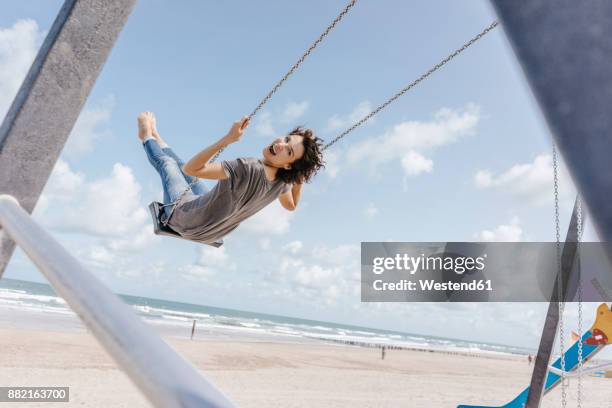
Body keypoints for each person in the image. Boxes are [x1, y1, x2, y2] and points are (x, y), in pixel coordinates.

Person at [138, 112, 324, 246]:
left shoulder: (247, 167)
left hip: (184, 220)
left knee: (169, 165)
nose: (280, 145)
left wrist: (228, 139)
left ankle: (146, 135)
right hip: (211, 231)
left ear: (288, 165)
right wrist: (298, 180)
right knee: (184, 171)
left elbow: (193, 169)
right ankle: (158, 137)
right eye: (286, 139)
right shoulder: (283, 184)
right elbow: (291, 206)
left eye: (288, 151)